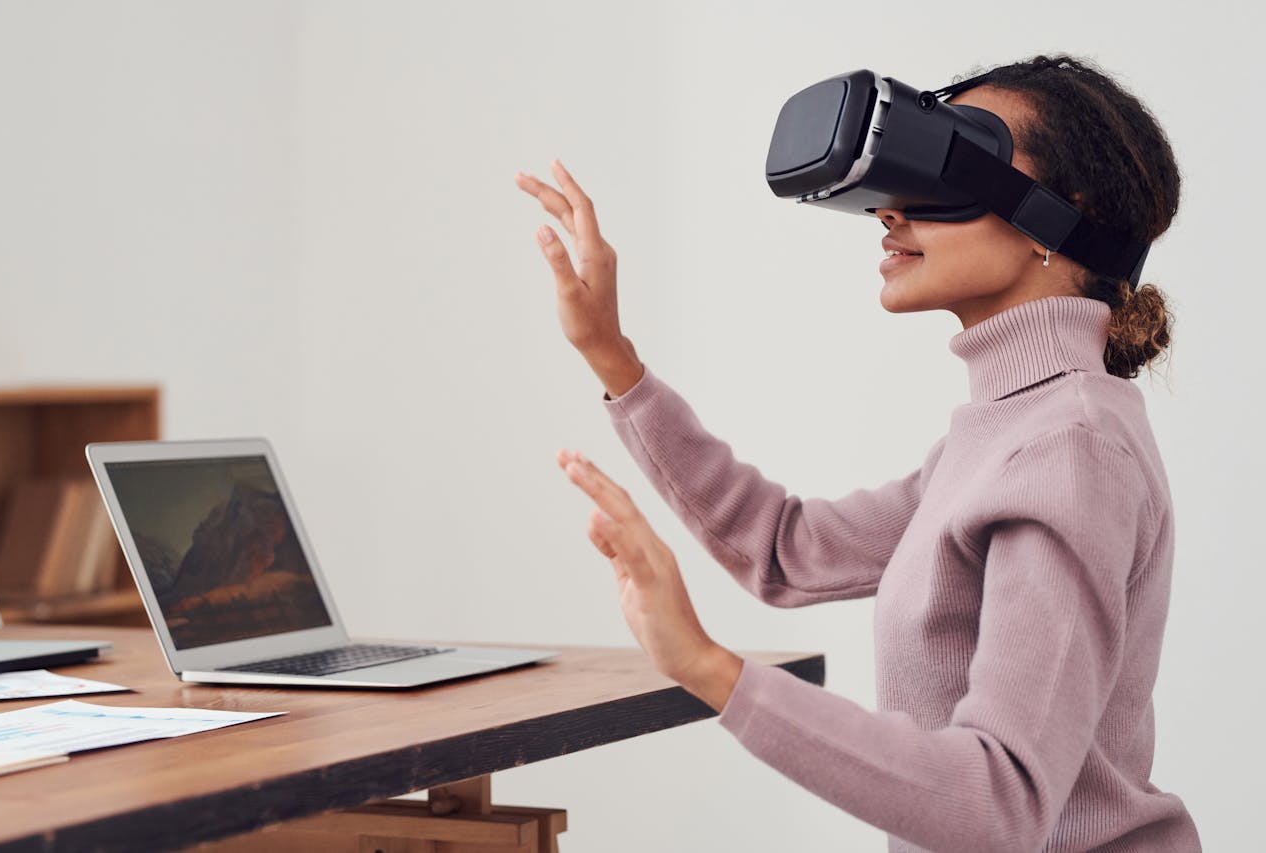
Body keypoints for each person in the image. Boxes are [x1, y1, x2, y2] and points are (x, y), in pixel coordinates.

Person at [514, 54, 1201, 852]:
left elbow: (999, 799)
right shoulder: (1012, 432)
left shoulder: (1068, 449)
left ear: (1059, 215)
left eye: (955, 163)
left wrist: (705, 664)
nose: (891, 211)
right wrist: (612, 355)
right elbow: (786, 551)